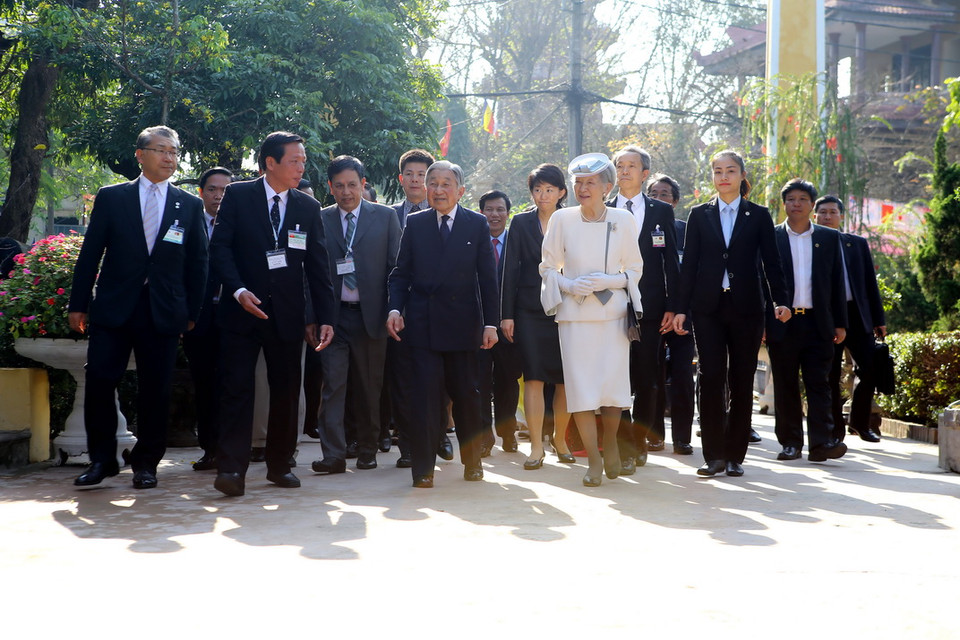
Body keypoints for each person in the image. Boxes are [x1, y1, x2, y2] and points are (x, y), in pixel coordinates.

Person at [68, 125, 207, 489]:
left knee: (156, 389)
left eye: (174, 152)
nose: (169, 158)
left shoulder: (189, 204)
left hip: (162, 310)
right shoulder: (113, 197)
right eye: (161, 150)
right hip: (114, 307)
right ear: (140, 154)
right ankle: (102, 460)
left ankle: (146, 464)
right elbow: (90, 253)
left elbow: (198, 262)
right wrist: (78, 304)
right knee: (100, 380)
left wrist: (192, 312)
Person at [209, 131, 336, 497]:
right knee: (237, 389)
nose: (301, 167)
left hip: (287, 314)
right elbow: (220, 249)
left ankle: (280, 465)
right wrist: (238, 290)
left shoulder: (307, 207)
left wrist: (325, 317)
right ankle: (231, 469)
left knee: (286, 391)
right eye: (294, 161)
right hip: (241, 312)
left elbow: (318, 267)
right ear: (270, 162)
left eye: (303, 161)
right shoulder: (238, 195)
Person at [672, 149, 791, 478]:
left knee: (741, 379)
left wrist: (780, 300)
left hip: (747, 309)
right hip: (707, 309)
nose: (723, 176)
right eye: (718, 171)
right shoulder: (699, 214)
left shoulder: (759, 215)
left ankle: (735, 455)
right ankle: (713, 456)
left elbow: (772, 263)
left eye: (730, 170)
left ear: (742, 175)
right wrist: (680, 309)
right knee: (710, 377)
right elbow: (689, 266)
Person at [386, 160, 500, 488]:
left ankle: (473, 462)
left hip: (463, 326)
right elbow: (401, 273)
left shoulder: (475, 224)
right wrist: (394, 309)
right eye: (432, 183)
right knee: (424, 398)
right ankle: (423, 468)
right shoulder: (416, 223)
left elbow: (488, 279)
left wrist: (491, 324)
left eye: (445, 184)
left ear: (460, 191)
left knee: (466, 397)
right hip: (422, 325)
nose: (438, 190)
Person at [540, 153, 643, 487]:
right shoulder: (562, 219)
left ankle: (610, 442)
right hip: (575, 317)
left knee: (612, 388)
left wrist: (609, 280)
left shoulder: (623, 219)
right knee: (581, 389)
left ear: (607, 187)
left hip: (612, 316)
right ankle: (594, 460)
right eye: (578, 183)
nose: (583, 189)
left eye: (590, 183)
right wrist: (568, 285)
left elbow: (635, 269)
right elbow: (547, 267)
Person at [311, 155, 400, 474]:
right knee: (332, 387)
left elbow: (396, 269)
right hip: (333, 320)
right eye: (339, 186)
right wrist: (313, 317)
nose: (346, 192)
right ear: (330, 187)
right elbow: (310, 273)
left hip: (371, 317)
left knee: (369, 387)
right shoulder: (320, 218)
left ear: (363, 184)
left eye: (352, 185)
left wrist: (395, 310)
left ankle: (367, 449)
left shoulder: (386, 217)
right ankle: (333, 454)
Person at [607, 146, 680, 473]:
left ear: (644, 173)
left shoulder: (660, 211)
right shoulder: (602, 207)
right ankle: (623, 444)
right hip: (609, 306)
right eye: (619, 166)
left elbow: (670, 263)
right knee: (616, 378)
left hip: (650, 308)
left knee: (648, 379)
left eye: (631, 166)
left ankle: (639, 440)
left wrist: (673, 306)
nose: (624, 171)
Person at [768, 179, 848, 462]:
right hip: (783, 323)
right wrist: (765, 321)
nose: (796, 204)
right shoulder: (772, 236)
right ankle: (790, 443)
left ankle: (821, 443)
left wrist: (840, 323)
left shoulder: (829, 238)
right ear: (784, 204)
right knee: (786, 384)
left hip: (818, 322)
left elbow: (837, 282)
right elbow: (762, 281)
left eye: (803, 199)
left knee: (820, 384)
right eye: (791, 199)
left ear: (812, 205)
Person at [500, 164, 574, 469]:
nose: (543, 195)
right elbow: (510, 270)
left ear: (561, 193)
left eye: (549, 190)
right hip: (528, 310)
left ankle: (560, 439)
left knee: (565, 379)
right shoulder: (520, 222)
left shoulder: (574, 220)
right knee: (532, 377)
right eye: (537, 189)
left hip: (567, 308)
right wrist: (506, 315)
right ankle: (535, 447)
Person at [386, 148, 454, 466]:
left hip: (439, 314)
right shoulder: (387, 215)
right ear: (401, 179)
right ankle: (408, 446)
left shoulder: (449, 215)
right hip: (400, 312)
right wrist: (393, 307)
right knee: (403, 381)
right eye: (410, 174)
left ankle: (439, 434)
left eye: (421, 175)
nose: (416, 180)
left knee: (438, 379)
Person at [814, 195, 886, 443]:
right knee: (830, 375)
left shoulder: (856, 244)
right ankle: (835, 430)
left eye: (832, 212)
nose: (828, 217)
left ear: (841, 216)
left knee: (870, 369)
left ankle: (860, 423)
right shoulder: (811, 244)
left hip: (857, 314)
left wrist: (878, 318)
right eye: (823, 212)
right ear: (815, 216)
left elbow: (869, 283)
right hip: (827, 315)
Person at [184, 166, 233, 471]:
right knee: (203, 384)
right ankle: (209, 449)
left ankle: (232, 448)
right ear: (201, 192)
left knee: (232, 384)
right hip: (197, 317)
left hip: (232, 315)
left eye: (225, 190)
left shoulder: (240, 224)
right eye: (212, 190)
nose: (218, 196)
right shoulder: (190, 222)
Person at [647, 174, 695, 455]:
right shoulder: (639, 227)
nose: (658, 198)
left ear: (675, 201)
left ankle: (682, 438)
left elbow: (692, 274)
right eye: (653, 193)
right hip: (652, 314)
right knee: (652, 377)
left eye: (664, 194)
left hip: (682, 316)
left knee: (682, 377)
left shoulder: (687, 231)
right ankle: (654, 436)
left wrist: (681, 310)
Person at [477, 190, 523, 457]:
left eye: (500, 210)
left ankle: (508, 433)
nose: (494, 215)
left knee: (508, 381)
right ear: (481, 212)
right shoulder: (473, 241)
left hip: (509, 324)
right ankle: (485, 436)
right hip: (479, 324)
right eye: (489, 209)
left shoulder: (517, 243)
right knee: (480, 381)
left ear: (508, 213)